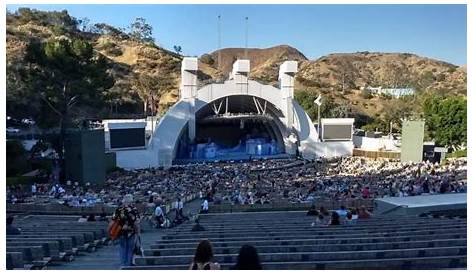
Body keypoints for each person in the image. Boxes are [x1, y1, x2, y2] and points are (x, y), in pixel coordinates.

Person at [110, 194, 140, 267]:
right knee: (130, 249)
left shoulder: (118, 209)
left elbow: (113, 221)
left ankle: (123, 264)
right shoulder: (134, 209)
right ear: (131, 201)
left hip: (121, 232)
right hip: (131, 232)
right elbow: (136, 223)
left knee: (122, 248)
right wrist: (138, 233)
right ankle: (128, 265)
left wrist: (110, 233)